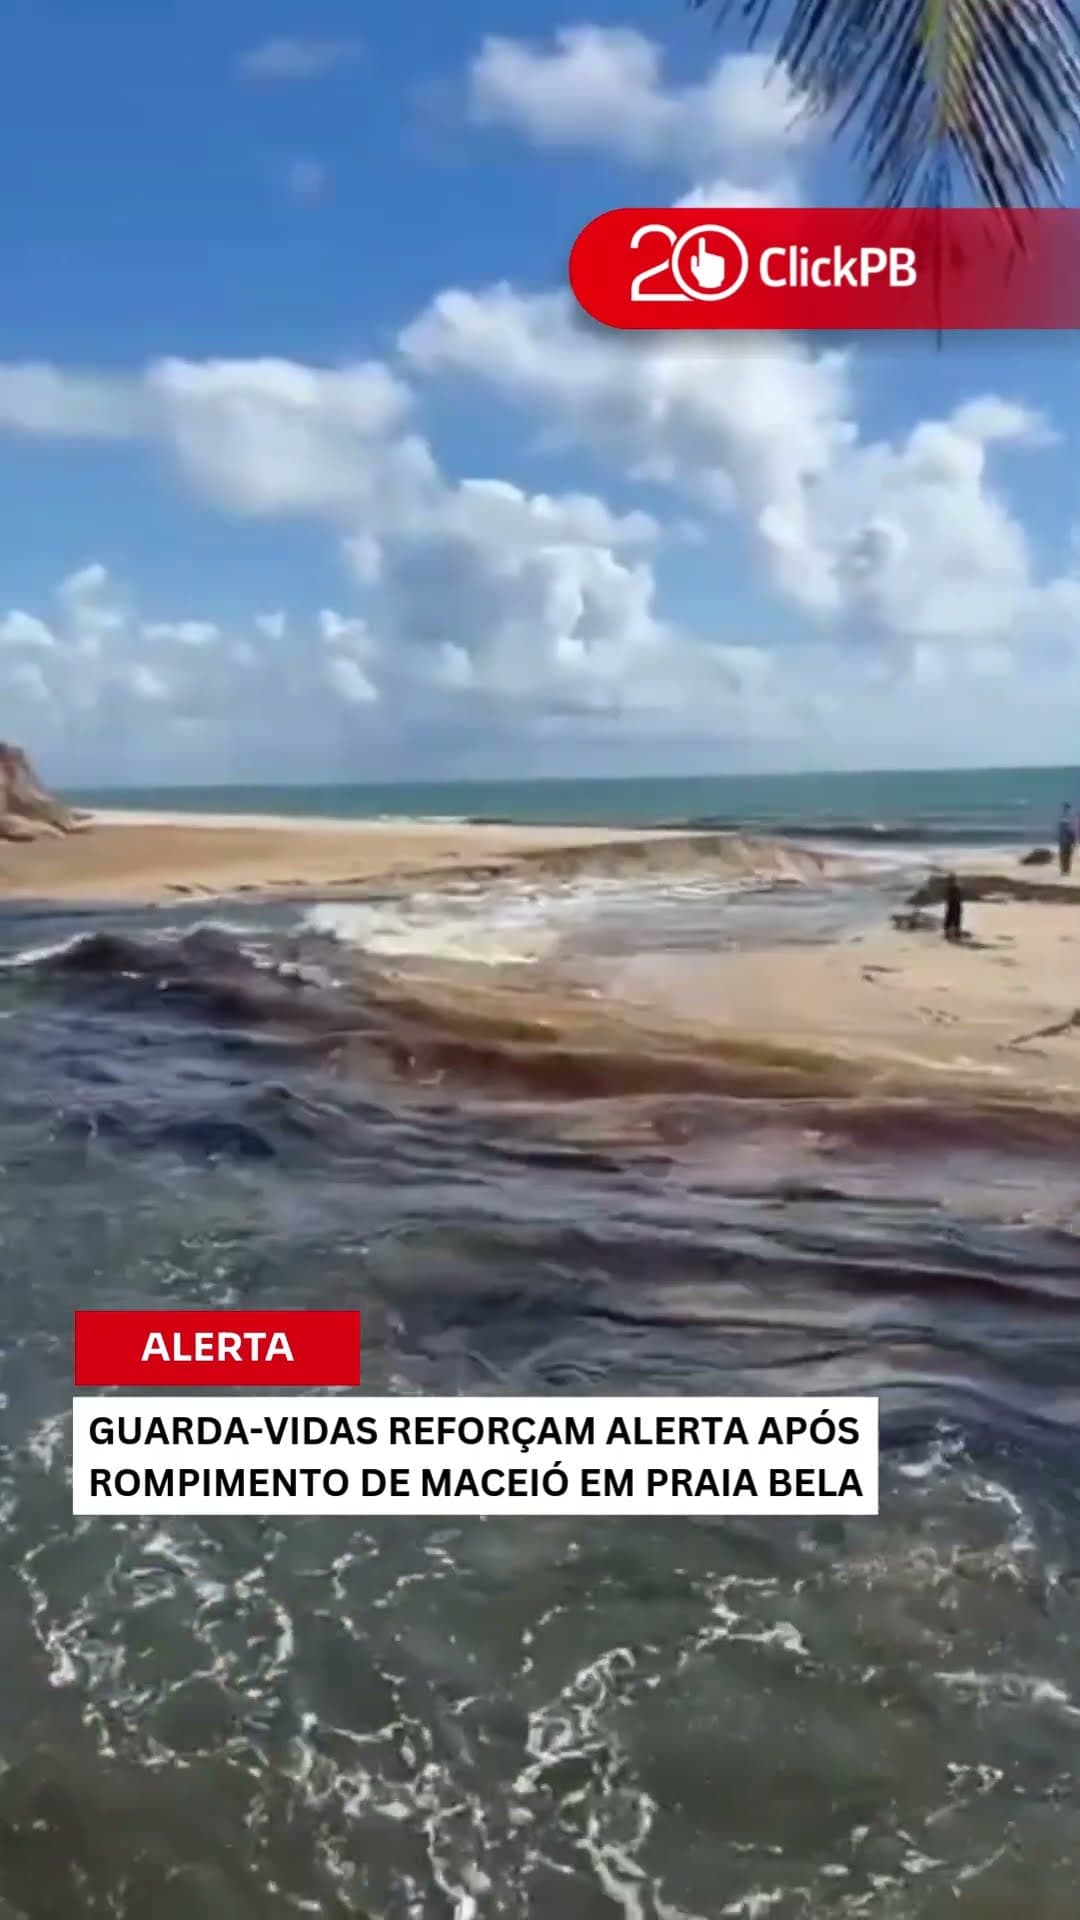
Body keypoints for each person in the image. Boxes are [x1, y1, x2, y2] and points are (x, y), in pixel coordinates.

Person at [943, 873, 963, 942]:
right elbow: (957, 898)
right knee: (954, 920)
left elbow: (952, 898)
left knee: (951, 920)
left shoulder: (952, 888)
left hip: (953, 906)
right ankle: (954, 933)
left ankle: (951, 933)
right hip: (954, 906)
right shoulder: (954, 888)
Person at [1058, 804, 1076, 876]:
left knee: (1064, 858)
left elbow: (1072, 836)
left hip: (1064, 845)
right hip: (1066, 845)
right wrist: (1074, 843)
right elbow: (1073, 836)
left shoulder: (1063, 830)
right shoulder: (1068, 829)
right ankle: (1066, 871)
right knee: (1066, 858)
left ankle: (1065, 871)